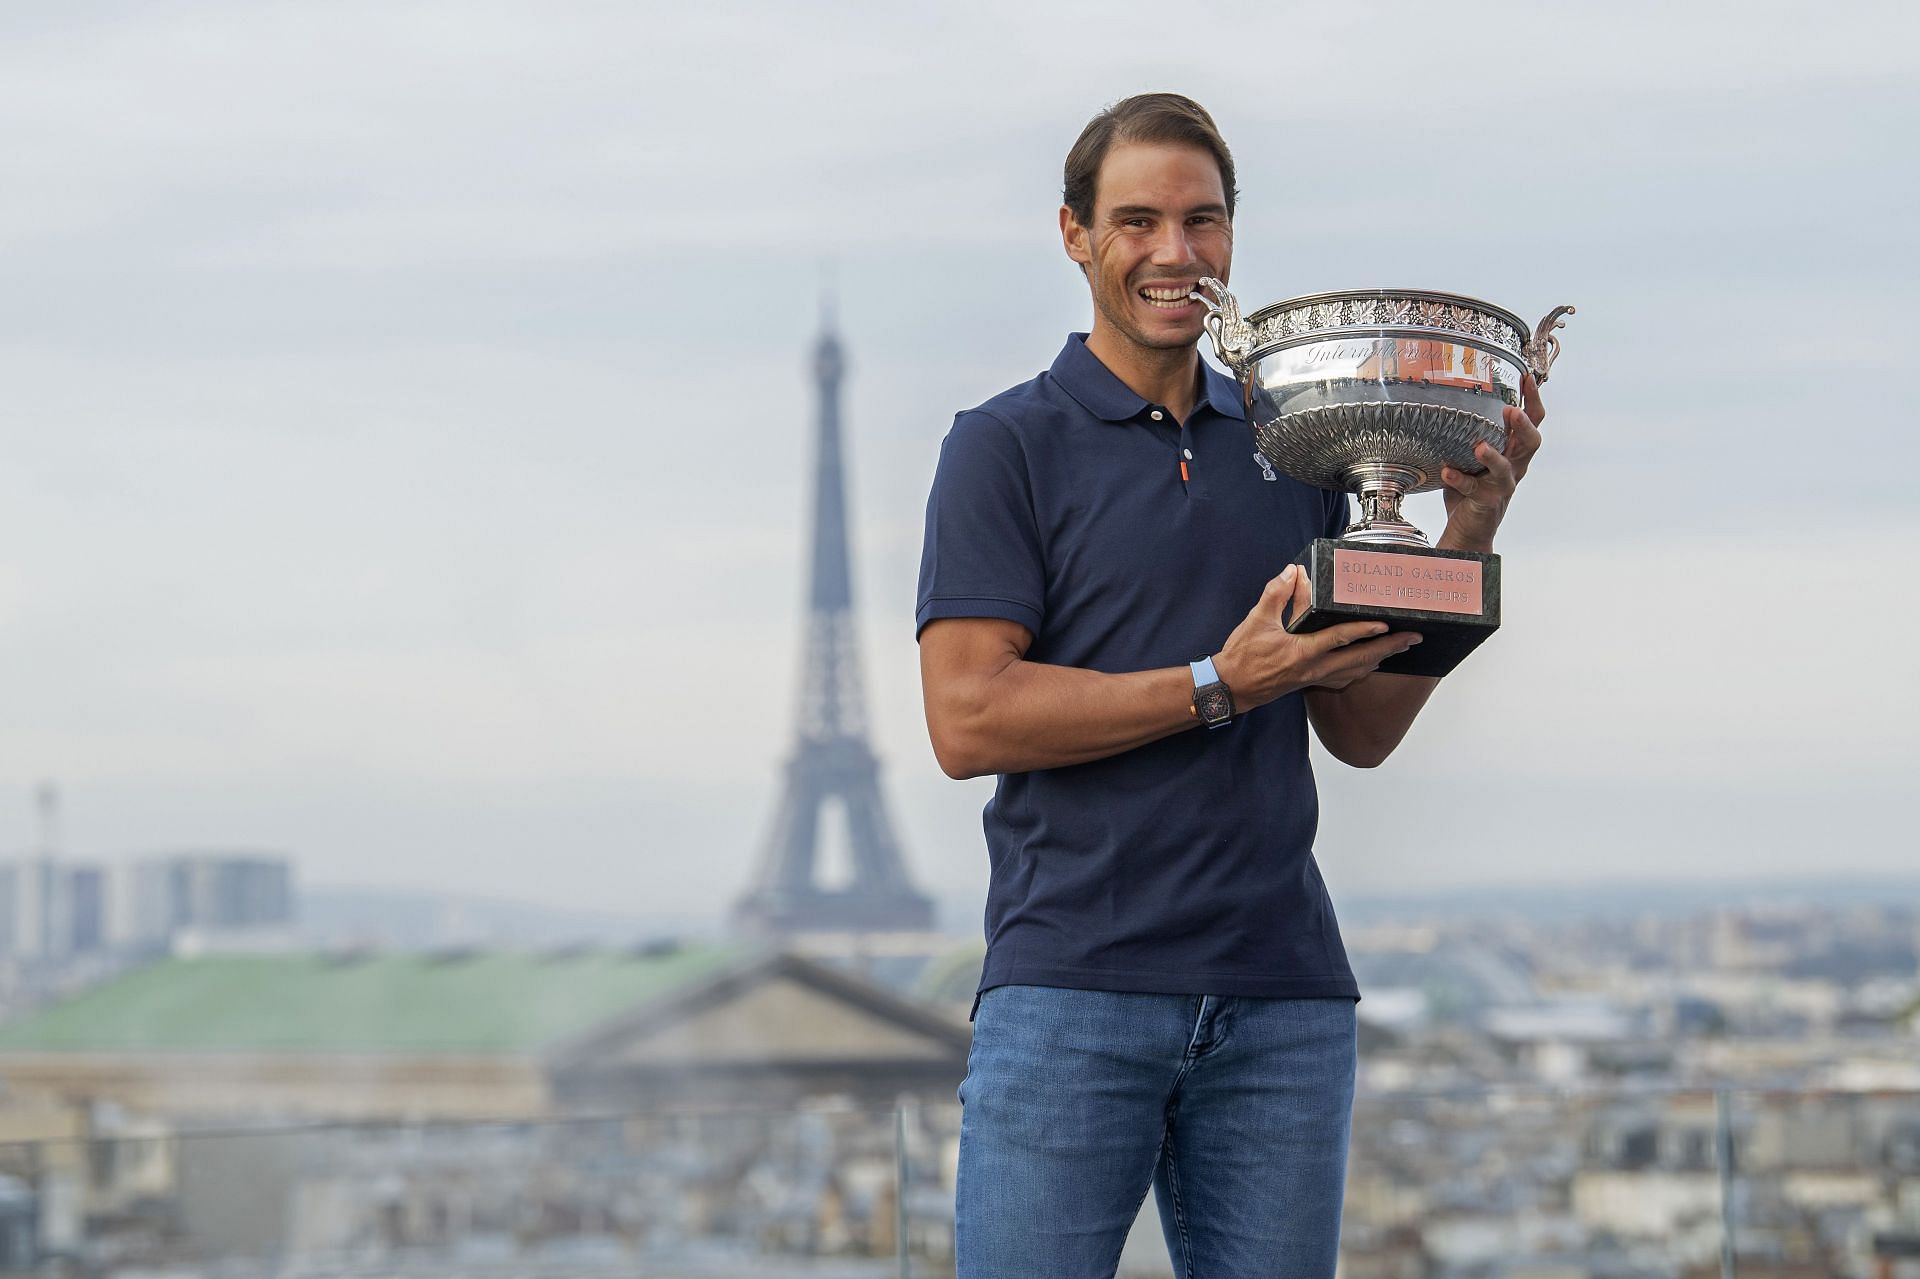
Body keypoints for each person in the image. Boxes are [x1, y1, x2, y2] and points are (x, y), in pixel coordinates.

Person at [914, 93, 1548, 1278]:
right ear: (1073, 234)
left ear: (1233, 237)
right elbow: (967, 717)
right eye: (1137, 220)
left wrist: (1465, 531)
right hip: (1074, 993)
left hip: (1282, 998)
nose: (1175, 252)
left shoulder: (1298, 443)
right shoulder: (1006, 446)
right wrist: (1219, 682)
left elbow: (1357, 728)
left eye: (1202, 221)